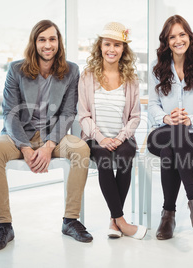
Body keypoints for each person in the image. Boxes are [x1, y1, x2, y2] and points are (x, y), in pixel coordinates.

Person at [0, 20, 92, 251]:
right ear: (34, 43)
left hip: (53, 134)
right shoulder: (16, 70)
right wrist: (25, 147)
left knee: (81, 149)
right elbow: (9, 114)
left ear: (58, 43)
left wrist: (49, 145)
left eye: (52, 39)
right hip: (19, 134)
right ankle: (4, 226)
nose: (47, 44)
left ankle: (70, 220)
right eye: (42, 39)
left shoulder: (71, 70)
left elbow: (68, 112)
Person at [78, 22, 147, 239]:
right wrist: (101, 138)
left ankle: (113, 220)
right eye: (107, 44)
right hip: (94, 138)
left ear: (123, 49)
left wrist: (119, 138)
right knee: (105, 161)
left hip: (122, 137)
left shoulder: (131, 79)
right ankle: (121, 220)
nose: (112, 49)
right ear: (100, 46)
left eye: (117, 45)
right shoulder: (87, 76)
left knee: (126, 157)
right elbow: (83, 115)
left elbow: (135, 117)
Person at [147, 15, 193, 240]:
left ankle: (168, 215)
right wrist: (167, 118)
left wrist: (190, 120)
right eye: (172, 36)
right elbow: (152, 106)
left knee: (170, 151)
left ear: (189, 37)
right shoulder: (156, 69)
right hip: (161, 132)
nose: (178, 40)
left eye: (182, 34)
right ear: (166, 41)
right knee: (173, 136)